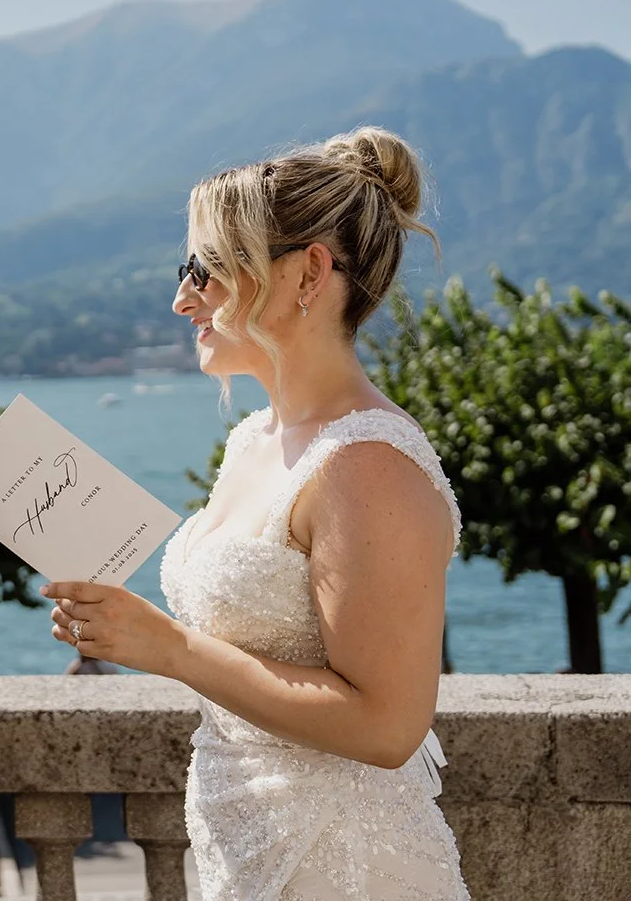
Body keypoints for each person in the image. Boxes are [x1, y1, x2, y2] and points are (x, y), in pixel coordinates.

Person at [43, 127, 470, 899]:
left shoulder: (368, 464)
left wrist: (167, 647)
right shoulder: (251, 441)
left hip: (346, 865)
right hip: (243, 848)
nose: (182, 299)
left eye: (204, 270)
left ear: (308, 271)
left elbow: (387, 726)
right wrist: (118, 626)